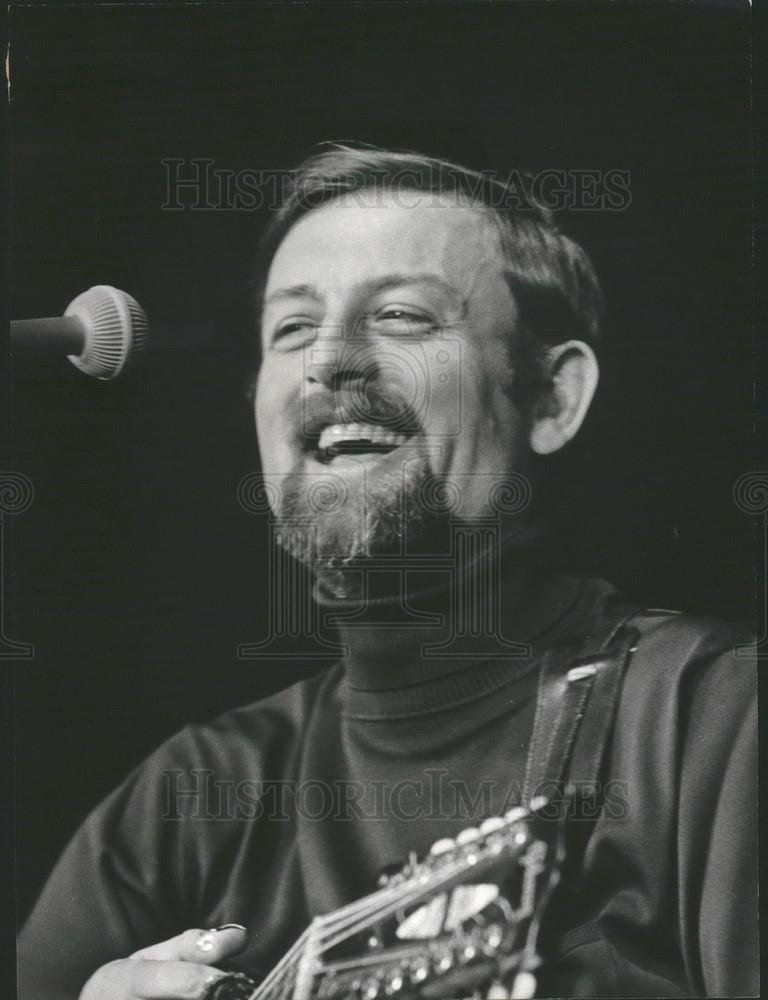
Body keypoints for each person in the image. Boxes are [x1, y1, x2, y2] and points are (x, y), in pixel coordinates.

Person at [18, 146, 758, 999]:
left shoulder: (711, 718)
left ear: (553, 399)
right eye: (291, 328)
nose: (328, 361)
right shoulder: (192, 797)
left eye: (403, 316)